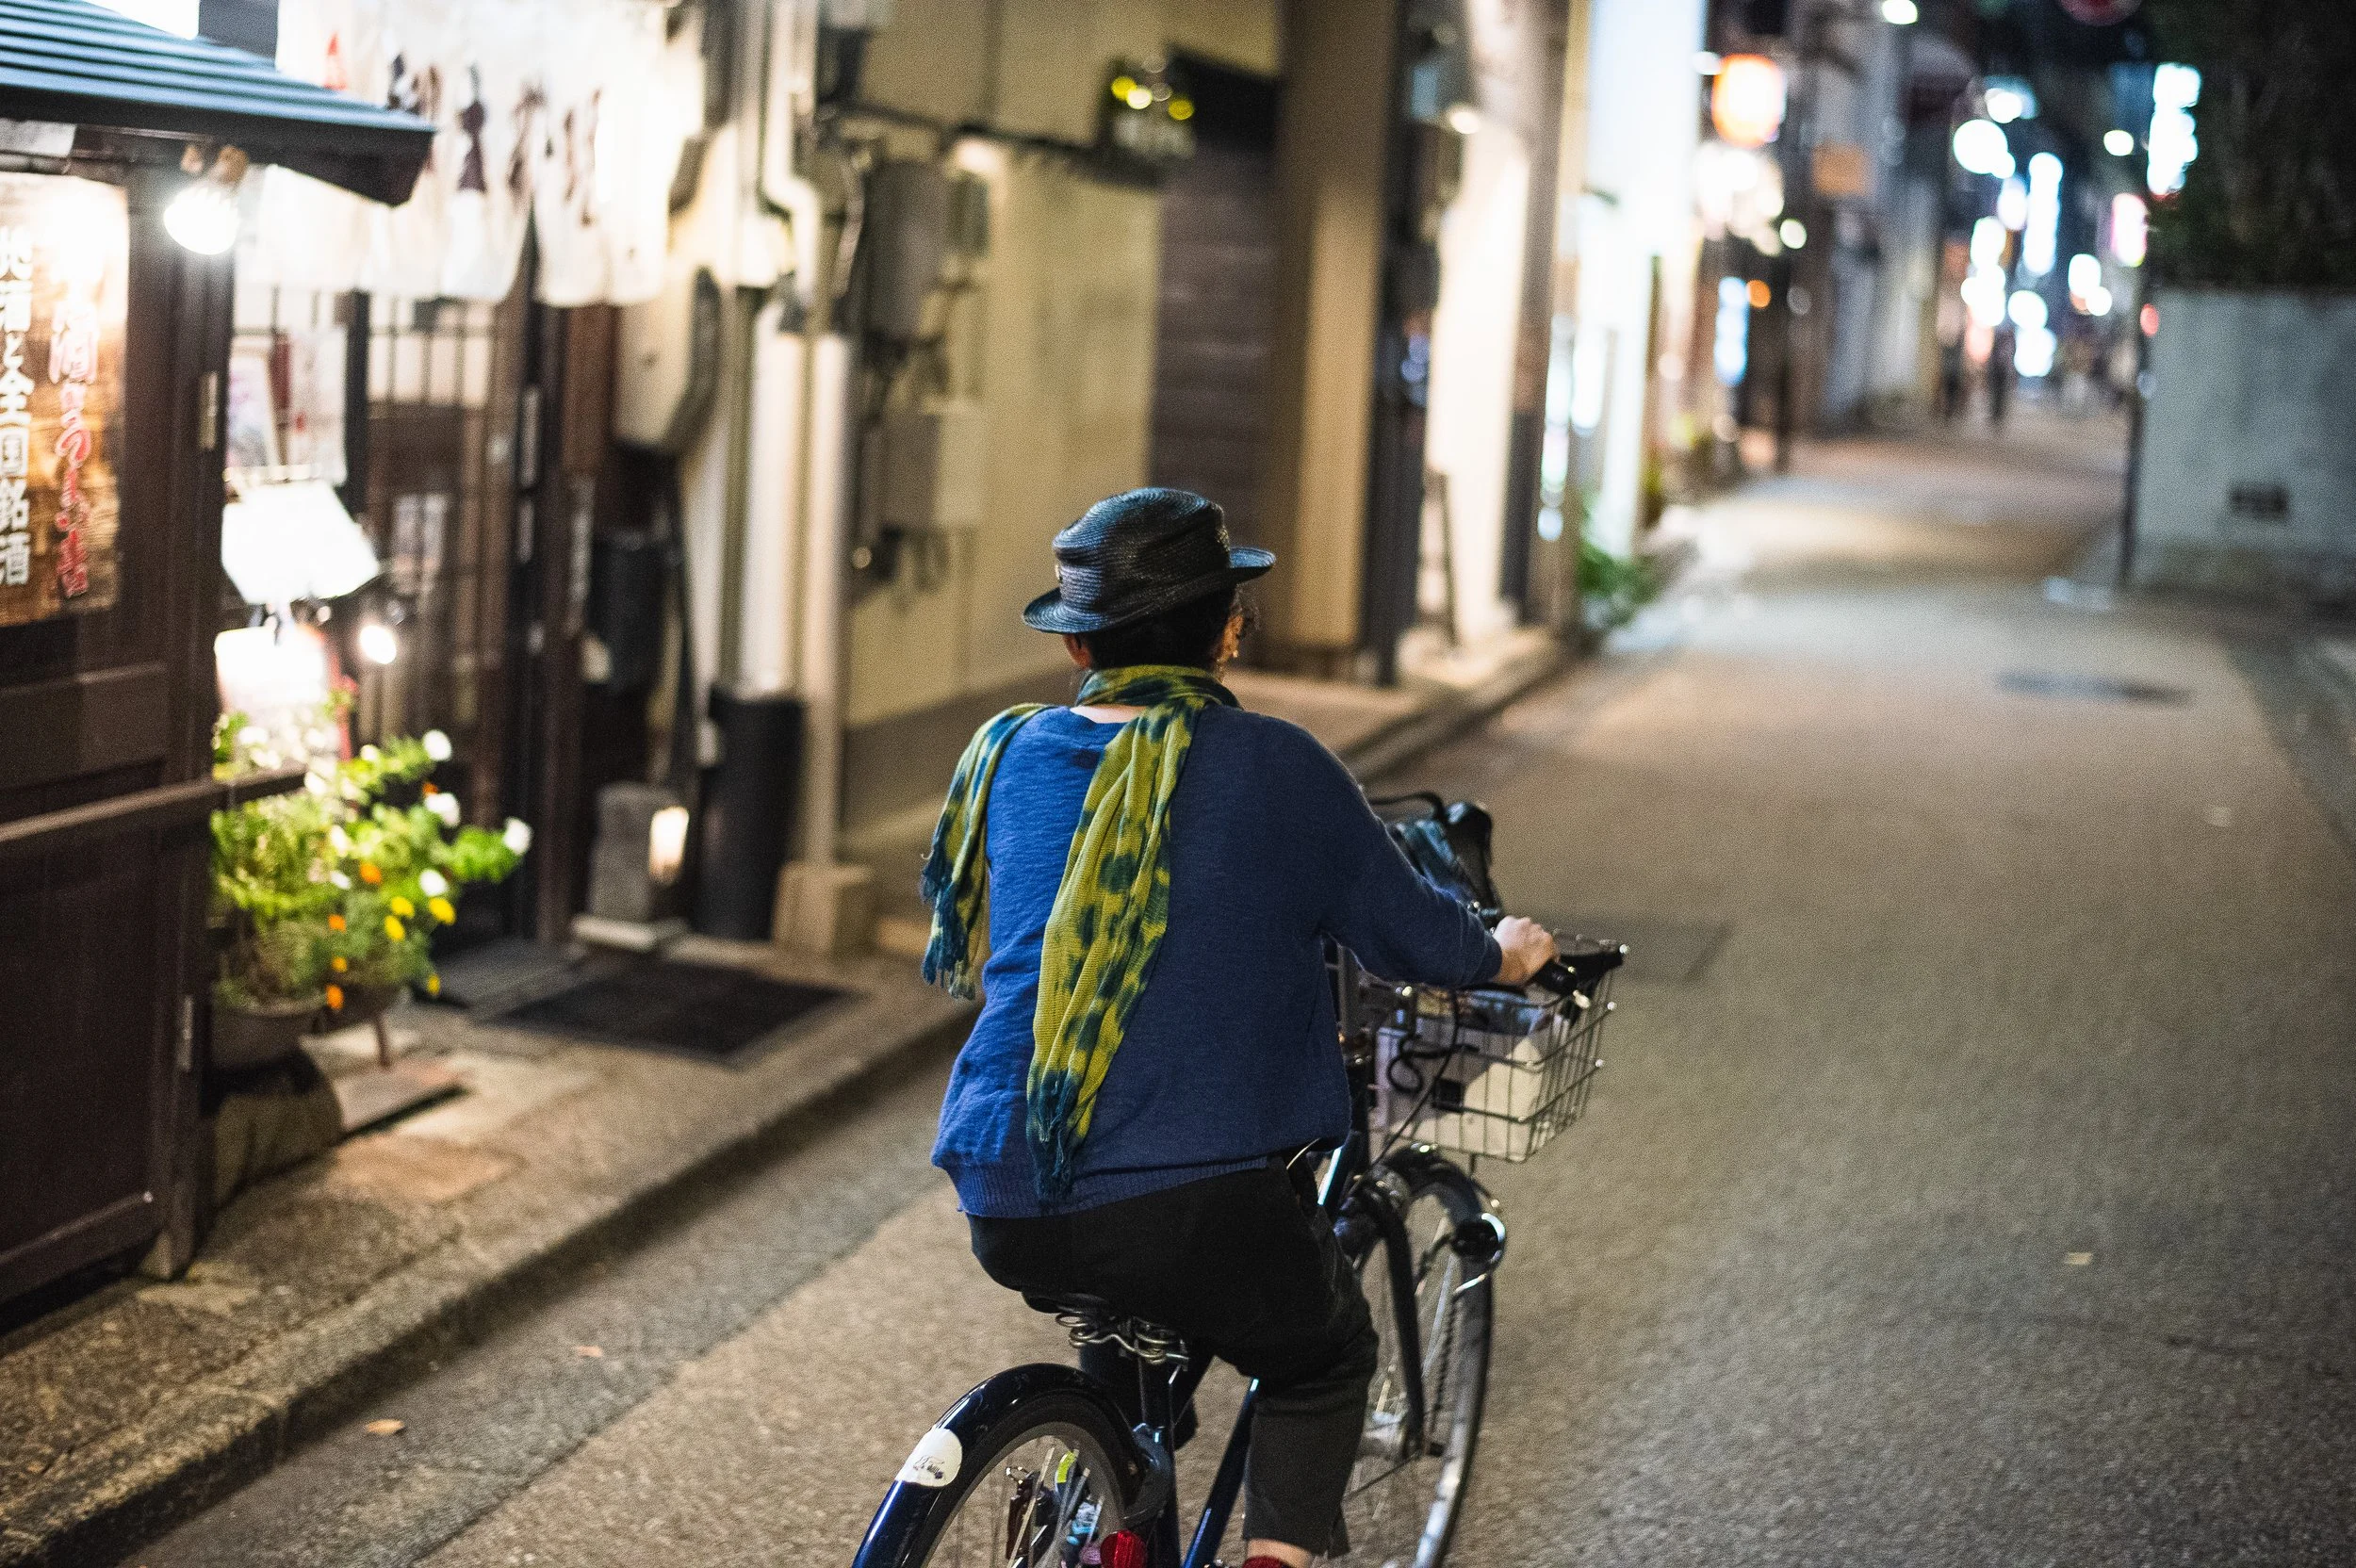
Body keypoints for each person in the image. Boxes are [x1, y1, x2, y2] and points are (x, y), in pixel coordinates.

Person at [922, 487, 1558, 1568]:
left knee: (1134, 1350)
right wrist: (1508, 949)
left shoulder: (1012, 754)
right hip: (1190, 1199)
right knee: (1320, 1358)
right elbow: (1419, 938)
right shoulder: (1276, 764)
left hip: (1003, 1182)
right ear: (1227, 630)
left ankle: (1114, 1509)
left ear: (1076, 642)